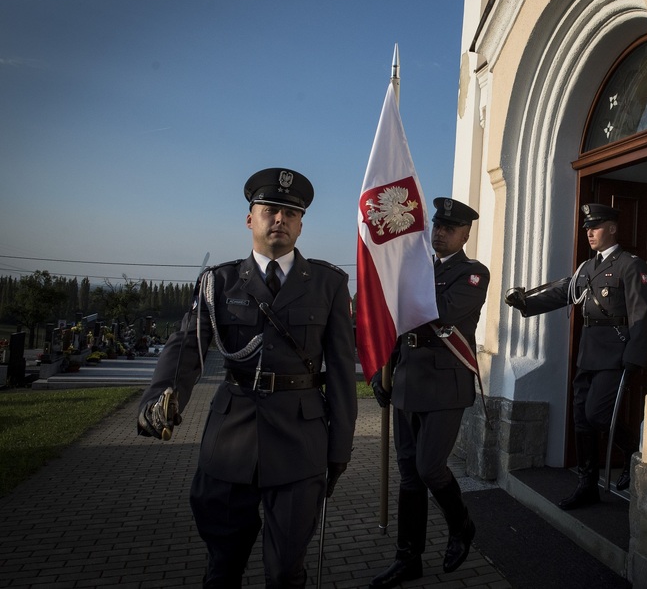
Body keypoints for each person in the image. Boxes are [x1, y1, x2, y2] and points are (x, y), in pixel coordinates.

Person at [137, 168, 357, 589]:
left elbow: (343, 370)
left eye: (291, 213)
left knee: (286, 570)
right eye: (270, 209)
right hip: (231, 439)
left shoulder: (328, 284)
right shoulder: (218, 282)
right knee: (223, 566)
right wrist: (162, 395)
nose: (280, 219)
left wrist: (339, 446)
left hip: (300, 440)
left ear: (301, 225)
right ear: (250, 219)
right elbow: (185, 348)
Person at [368, 197, 490, 589]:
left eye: (449, 229)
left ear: (465, 235)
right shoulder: (419, 268)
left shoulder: (473, 273)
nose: (440, 233)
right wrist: (384, 369)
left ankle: (462, 524)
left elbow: (441, 312)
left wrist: (402, 281)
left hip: (444, 386)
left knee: (429, 467)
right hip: (407, 382)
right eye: (437, 226)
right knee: (409, 476)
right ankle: (408, 558)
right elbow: (397, 323)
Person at [504, 202, 647, 509]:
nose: (589, 232)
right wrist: (526, 302)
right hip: (588, 353)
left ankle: (632, 449)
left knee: (598, 414)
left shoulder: (630, 265)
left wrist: (635, 355)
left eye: (595, 227)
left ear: (612, 228)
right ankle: (587, 485)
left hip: (615, 355)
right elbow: (564, 292)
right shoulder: (586, 268)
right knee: (581, 419)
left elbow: (641, 313)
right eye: (587, 228)